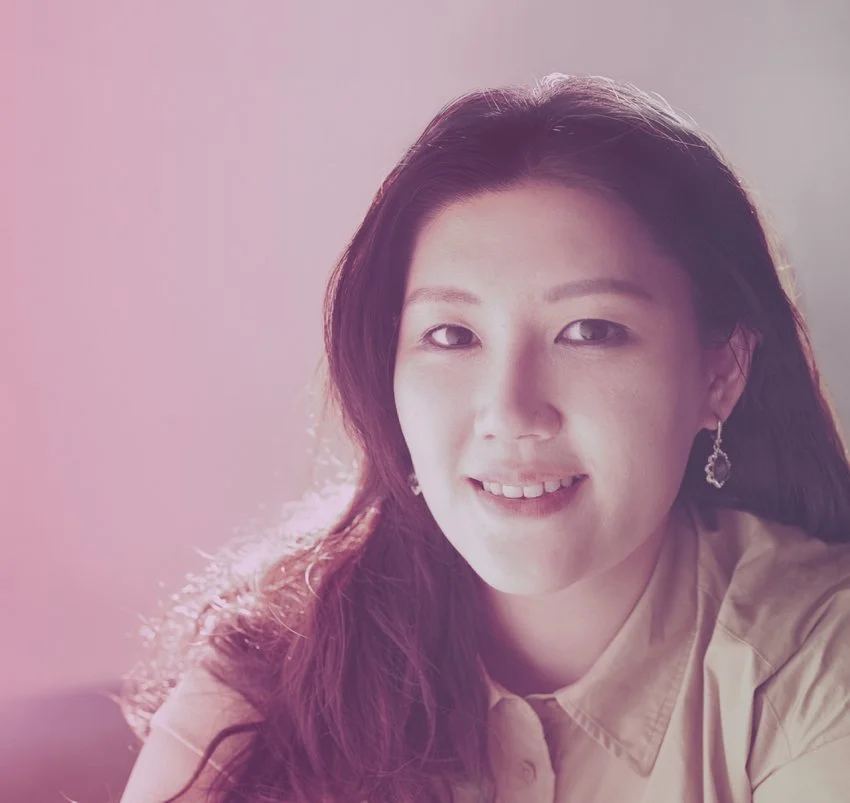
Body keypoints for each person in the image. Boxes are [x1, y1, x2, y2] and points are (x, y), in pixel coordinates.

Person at [117, 74, 850, 803]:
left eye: (589, 331)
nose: (511, 410)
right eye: (452, 334)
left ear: (720, 371)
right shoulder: (271, 655)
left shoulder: (810, 658)